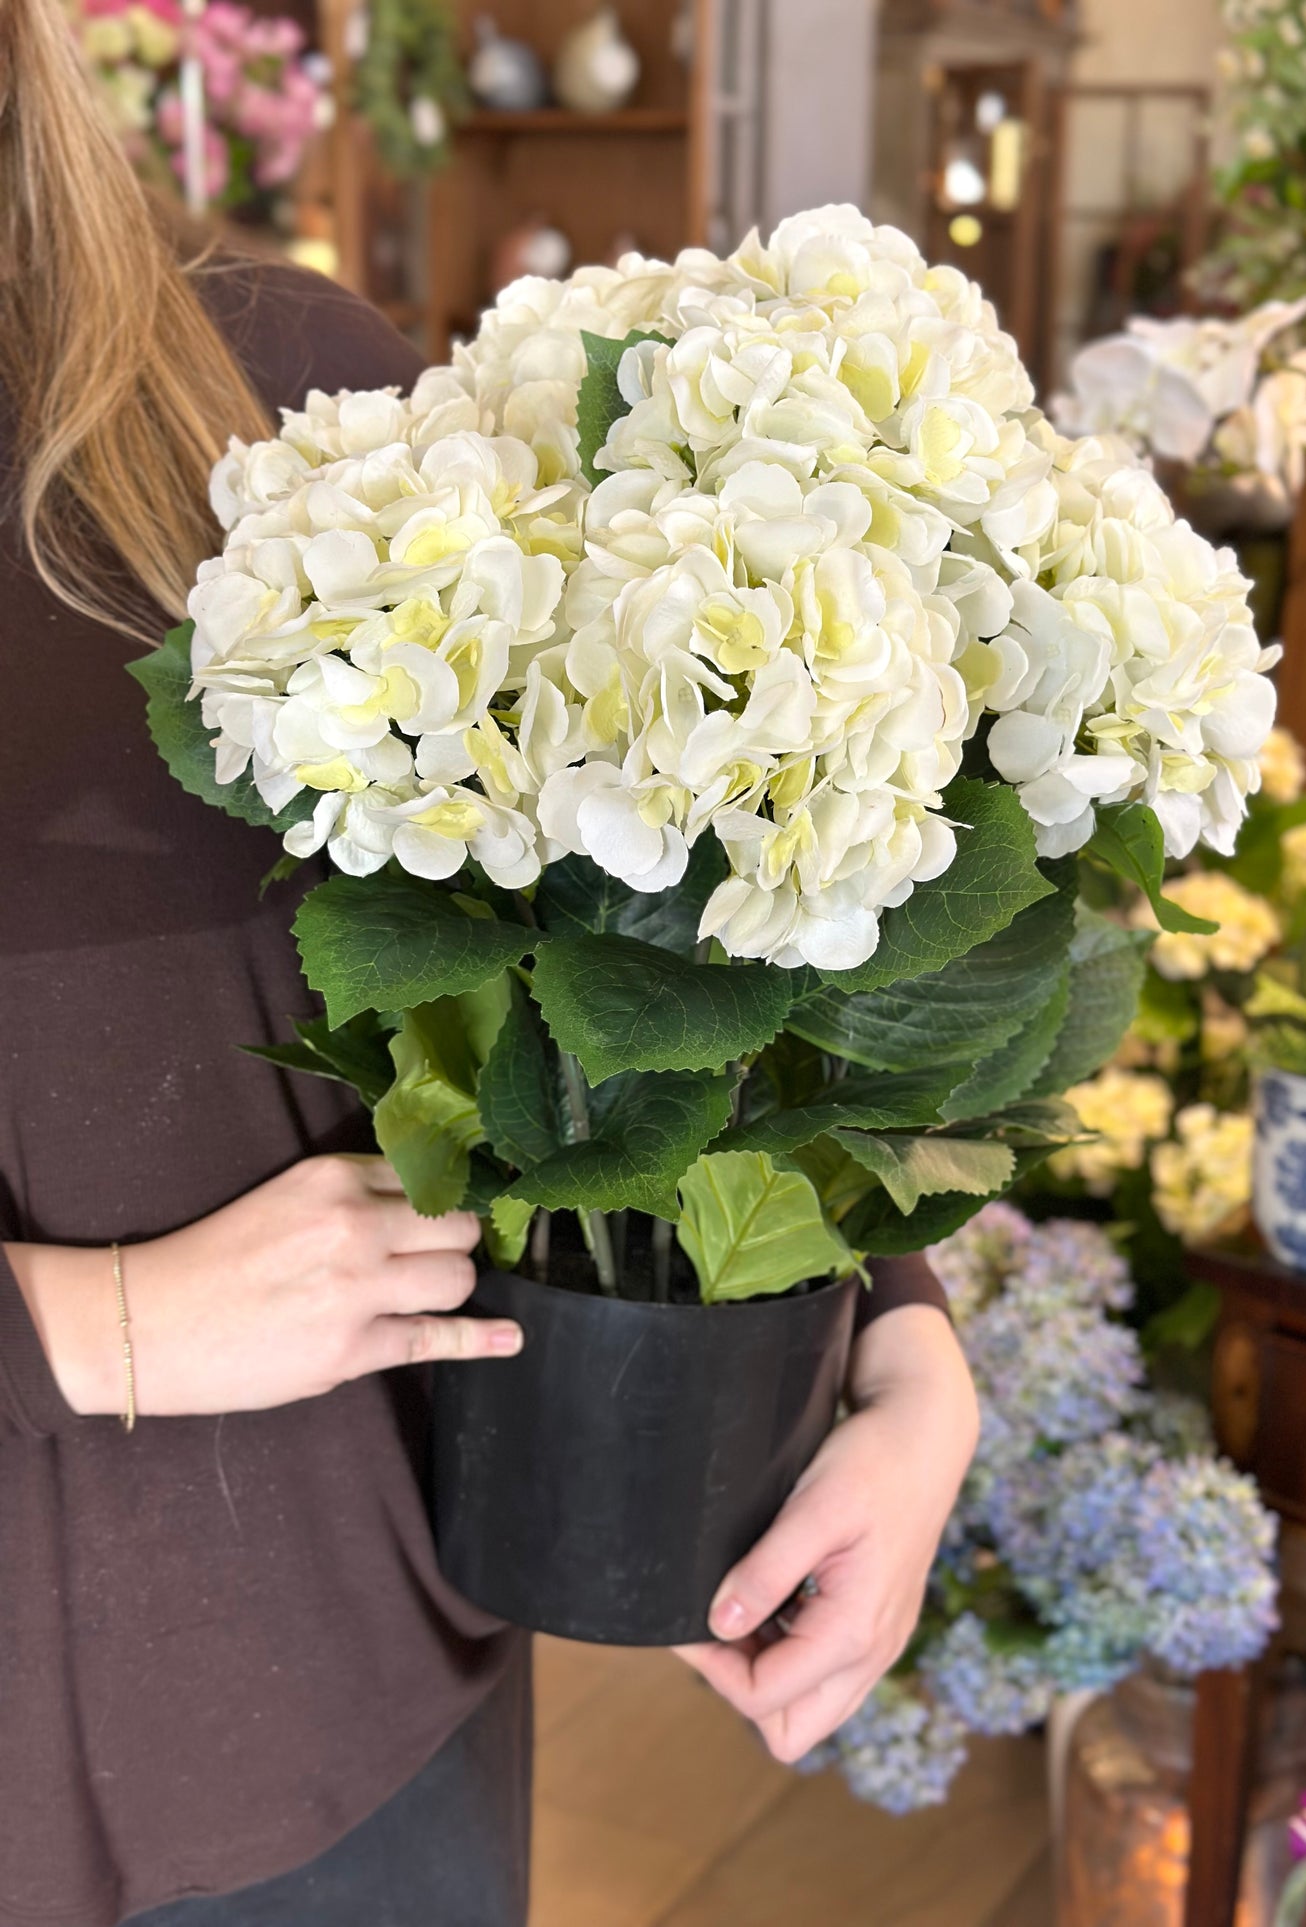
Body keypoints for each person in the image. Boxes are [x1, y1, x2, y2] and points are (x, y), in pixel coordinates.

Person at [0, 4, 979, 1923]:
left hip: (358, 1718)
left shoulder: (275, 397)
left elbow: (650, 915)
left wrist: (903, 1341)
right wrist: (77, 1330)